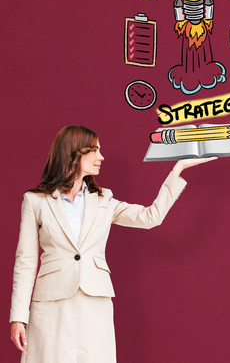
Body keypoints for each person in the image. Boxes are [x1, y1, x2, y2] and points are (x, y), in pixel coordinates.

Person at [10, 125, 217, 362]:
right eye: (95, 150)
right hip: (51, 304)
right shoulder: (36, 201)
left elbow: (151, 217)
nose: (101, 157)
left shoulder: (104, 200)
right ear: (75, 153)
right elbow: (25, 262)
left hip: (95, 302)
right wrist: (18, 316)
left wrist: (177, 170)